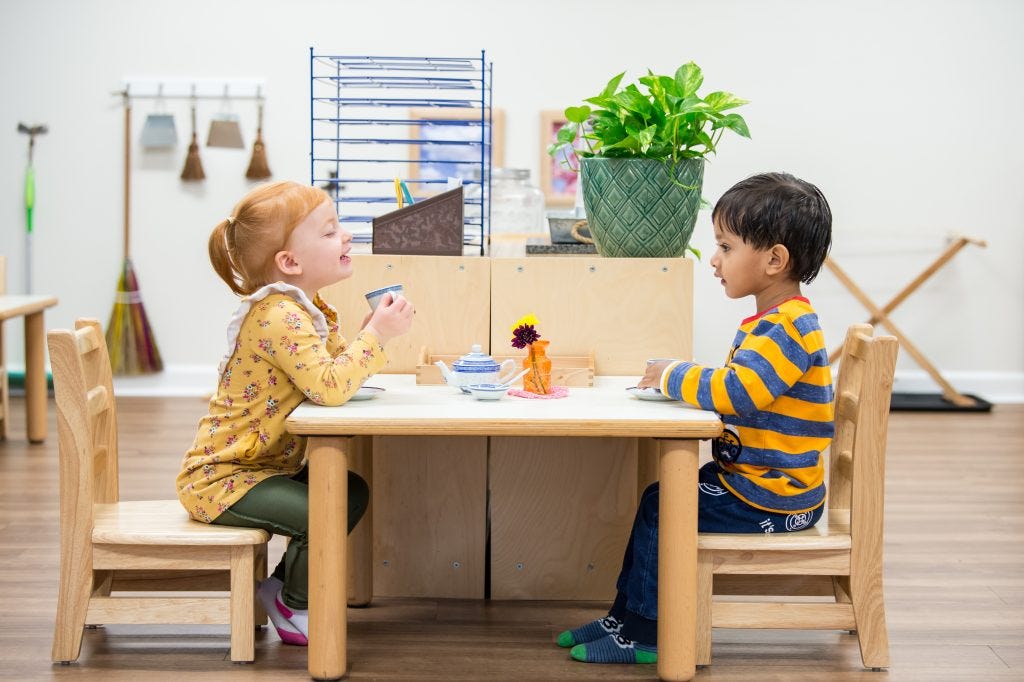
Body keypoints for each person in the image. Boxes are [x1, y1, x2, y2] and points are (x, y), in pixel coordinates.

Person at [559, 172, 835, 664]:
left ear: (774, 260)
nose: (714, 260)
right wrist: (683, 378)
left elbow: (736, 392)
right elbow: (740, 386)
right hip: (762, 482)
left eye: (726, 247)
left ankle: (644, 634)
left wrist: (672, 375)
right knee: (658, 496)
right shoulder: (774, 322)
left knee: (665, 508)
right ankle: (625, 617)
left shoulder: (789, 327)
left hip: (771, 494)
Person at [175, 181, 414, 646]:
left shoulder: (304, 308)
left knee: (350, 490)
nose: (345, 236)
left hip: (260, 469)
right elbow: (329, 388)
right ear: (290, 262)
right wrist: (378, 339)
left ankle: (282, 588)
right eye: (329, 232)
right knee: (322, 509)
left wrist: (365, 333)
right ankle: (297, 604)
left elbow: (322, 370)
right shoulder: (279, 315)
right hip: (223, 479)